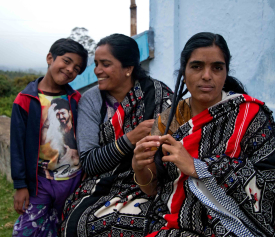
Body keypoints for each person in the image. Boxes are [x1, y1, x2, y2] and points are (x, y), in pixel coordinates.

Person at [132, 32, 275, 236]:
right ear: (184, 71)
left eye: (217, 67)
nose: (207, 75)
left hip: (232, 225)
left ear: (226, 72)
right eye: (197, 66)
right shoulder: (167, 120)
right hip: (173, 220)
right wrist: (139, 169)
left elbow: (269, 185)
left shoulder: (250, 116)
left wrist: (198, 167)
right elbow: (153, 189)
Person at [60, 33, 174, 237]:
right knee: (79, 225)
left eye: (105, 64)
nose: (97, 71)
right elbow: (90, 162)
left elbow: (172, 149)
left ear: (128, 68)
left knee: (154, 226)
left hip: (151, 184)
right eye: (96, 64)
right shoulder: (92, 101)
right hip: (102, 186)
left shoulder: (159, 96)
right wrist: (131, 138)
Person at [11, 38, 88, 236]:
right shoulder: (26, 100)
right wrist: (20, 185)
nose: (71, 69)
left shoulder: (76, 100)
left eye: (77, 68)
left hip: (73, 180)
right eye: (67, 61)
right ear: (50, 58)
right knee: (27, 230)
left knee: (64, 228)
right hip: (39, 183)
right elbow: (17, 146)